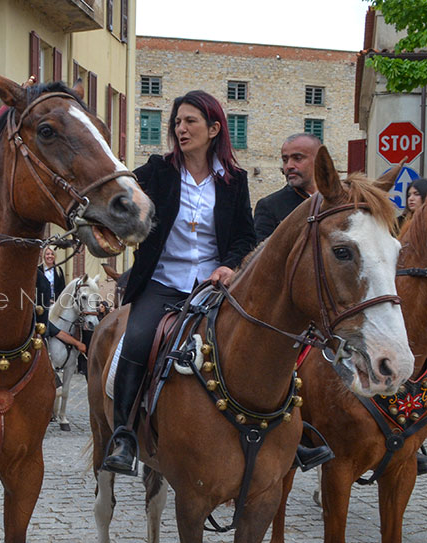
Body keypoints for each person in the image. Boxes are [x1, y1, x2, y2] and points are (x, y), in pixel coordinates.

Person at [102, 90, 256, 475]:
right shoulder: (157, 171)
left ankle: (280, 430)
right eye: (177, 122)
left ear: (214, 128)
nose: (181, 129)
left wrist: (230, 265)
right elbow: (124, 201)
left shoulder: (234, 180)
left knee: (261, 337)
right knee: (136, 338)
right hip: (162, 281)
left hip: (215, 287)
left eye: (190, 121)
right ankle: (123, 435)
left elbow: (244, 236)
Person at [253, 133, 321, 242]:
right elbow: (264, 255)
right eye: (285, 160)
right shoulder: (270, 207)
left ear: (319, 160)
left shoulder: (340, 200)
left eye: (297, 158)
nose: (289, 166)